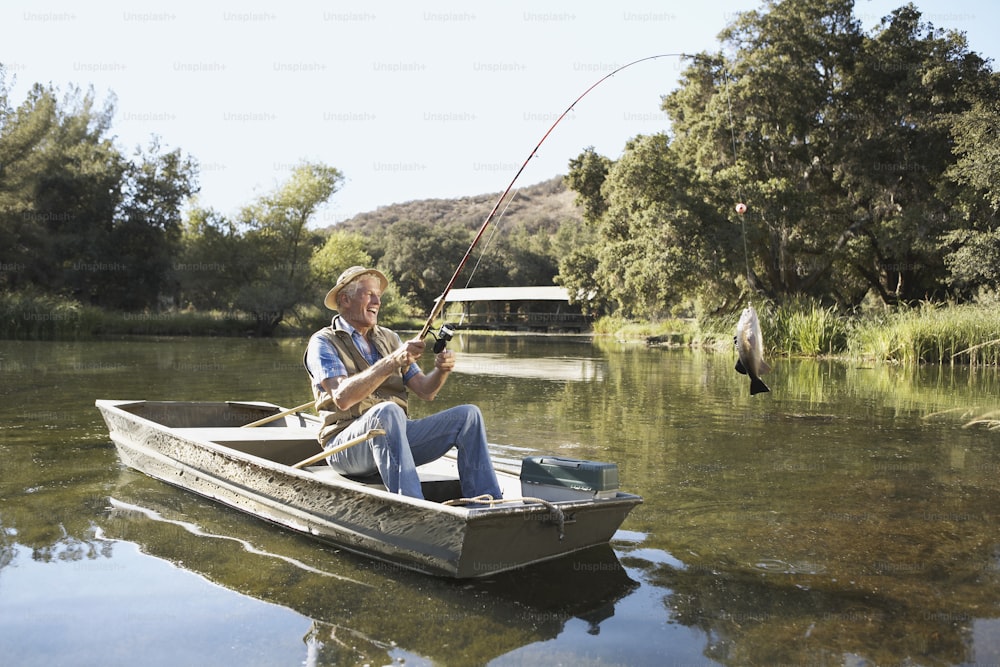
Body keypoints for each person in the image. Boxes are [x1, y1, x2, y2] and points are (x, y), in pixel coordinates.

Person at [304, 266, 503, 501]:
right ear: (345, 300)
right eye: (369, 294)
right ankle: (413, 506)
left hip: (396, 436)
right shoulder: (323, 342)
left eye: (378, 296)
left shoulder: (390, 338)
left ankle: (487, 503)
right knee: (386, 412)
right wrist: (392, 361)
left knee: (469, 416)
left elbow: (426, 391)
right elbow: (342, 397)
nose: (377, 301)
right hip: (345, 448)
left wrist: (441, 370)